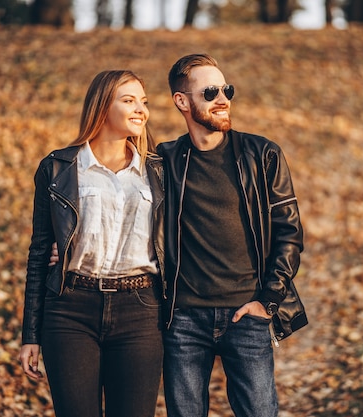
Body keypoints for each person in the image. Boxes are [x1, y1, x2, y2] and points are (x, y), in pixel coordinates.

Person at [156, 53, 304, 417]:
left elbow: (289, 234)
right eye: (210, 92)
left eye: (227, 89)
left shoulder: (262, 154)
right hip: (184, 321)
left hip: (247, 316)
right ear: (182, 101)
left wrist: (267, 302)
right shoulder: (165, 160)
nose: (223, 98)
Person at [18, 70, 165, 417]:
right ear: (102, 106)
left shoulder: (160, 170)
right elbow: (40, 252)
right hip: (70, 309)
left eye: (143, 102)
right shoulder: (58, 168)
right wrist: (31, 334)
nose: (141, 109)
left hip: (141, 311)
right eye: (128, 100)